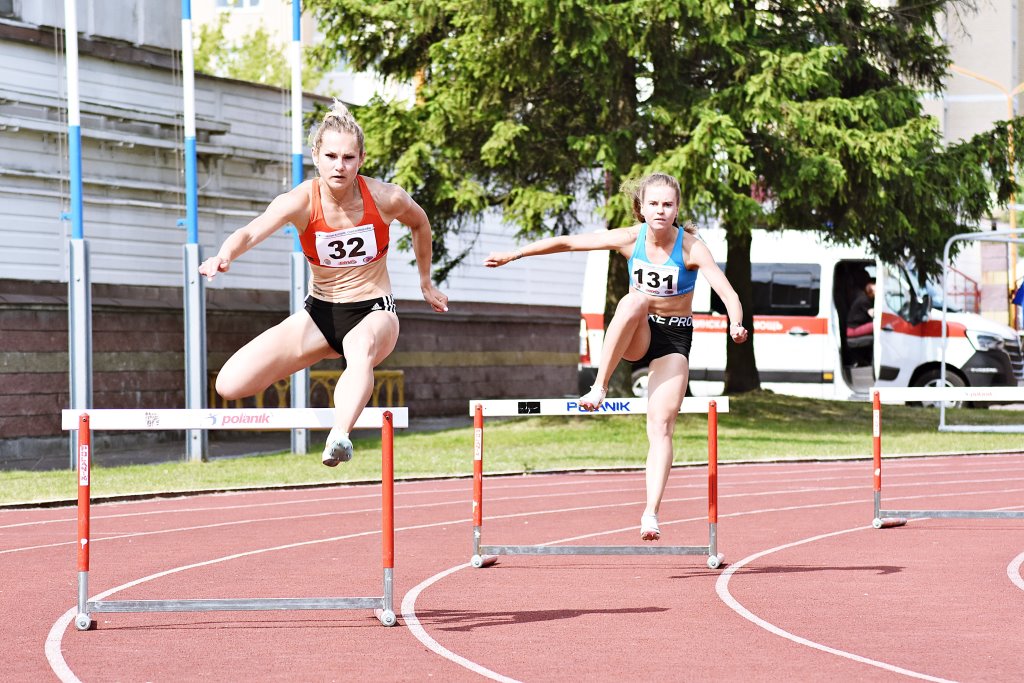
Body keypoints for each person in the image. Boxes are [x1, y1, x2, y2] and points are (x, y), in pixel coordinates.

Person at [484, 172, 748, 541]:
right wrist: (515, 253)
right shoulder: (628, 238)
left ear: (677, 209)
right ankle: (600, 386)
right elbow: (569, 242)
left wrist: (736, 323)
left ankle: (650, 513)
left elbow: (728, 292)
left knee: (662, 425)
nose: (661, 210)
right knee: (634, 300)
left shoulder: (692, 248)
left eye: (668, 204)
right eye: (654, 203)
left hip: (674, 339)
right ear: (642, 208)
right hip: (637, 333)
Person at [199, 100, 448, 466]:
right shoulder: (301, 201)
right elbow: (251, 232)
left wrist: (425, 282)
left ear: (361, 159)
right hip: (320, 314)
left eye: (348, 158)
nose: (339, 166)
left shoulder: (386, 198)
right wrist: (225, 255)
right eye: (331, 156)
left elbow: (420, 223)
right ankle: (322, 358)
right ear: (316, 156)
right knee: (230, 384)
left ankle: (339, 436)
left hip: (373, 310)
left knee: (360, 348)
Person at [846, 272, 876, 339]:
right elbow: (873, 313)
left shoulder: (864, 297)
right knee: (877, 325)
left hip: (855, 326)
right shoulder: (864, 300)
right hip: (852, 329)